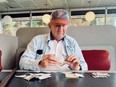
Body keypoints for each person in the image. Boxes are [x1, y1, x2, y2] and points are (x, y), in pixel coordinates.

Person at [19, 9, 88, 71]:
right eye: (57, 25)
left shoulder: (72, 42)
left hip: (67, 79)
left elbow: (85, 66)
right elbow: (22, 62)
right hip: (42, 80)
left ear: (67, 26)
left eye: (63, 25)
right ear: (50, 26)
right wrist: (39, 63)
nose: (60, 29)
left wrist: (77, 67)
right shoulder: (37, 40)